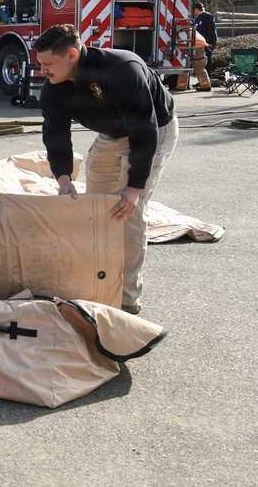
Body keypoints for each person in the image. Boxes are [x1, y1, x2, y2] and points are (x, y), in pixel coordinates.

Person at [34, 24, 178, 315]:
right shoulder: (53, 89)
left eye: (48, 64)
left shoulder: (122, 69)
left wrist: (134, 187)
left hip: (152, 131)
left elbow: (144, 130)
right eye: (40, 65)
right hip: (110, 135)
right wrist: (63, 178)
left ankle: (126, 299)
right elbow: (55, 135)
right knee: (95, 211)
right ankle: (96, 283)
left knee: (126, 213)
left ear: (72, 55)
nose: (42, 71)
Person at [193, 2, 218, 74]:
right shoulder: (197, 18)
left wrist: (210, 42)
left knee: (206, 61)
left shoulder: (208, 16)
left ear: (197, 9)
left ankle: (207, 76)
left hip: (207, 43)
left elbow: (211, 30)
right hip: (200, 44)